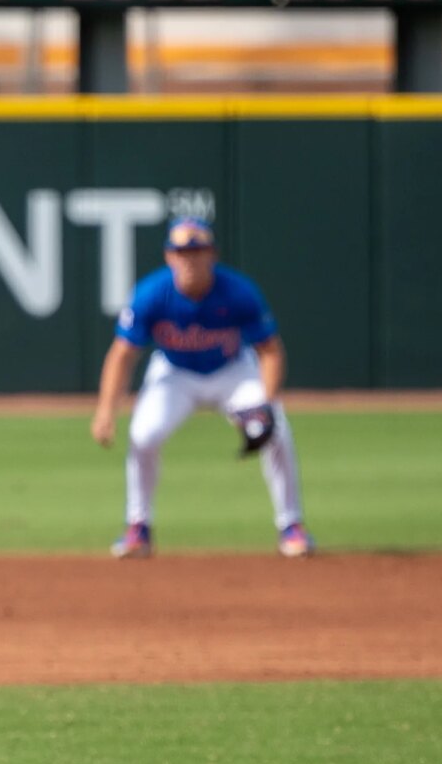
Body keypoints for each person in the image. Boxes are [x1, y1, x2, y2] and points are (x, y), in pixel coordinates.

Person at [90, 218, 313, 559]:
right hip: (175, 374)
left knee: (277, 431)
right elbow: (122, 354)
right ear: (169, 256)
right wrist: (107, 410)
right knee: (143, 435)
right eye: (182, 251)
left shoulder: (238, 291)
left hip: (232, 371)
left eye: (197, 250)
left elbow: (270, 351)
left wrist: (265, 403)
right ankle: (138, 528)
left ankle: (291, 525)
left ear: (212, 254)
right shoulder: (152, 293)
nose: (190, 258)